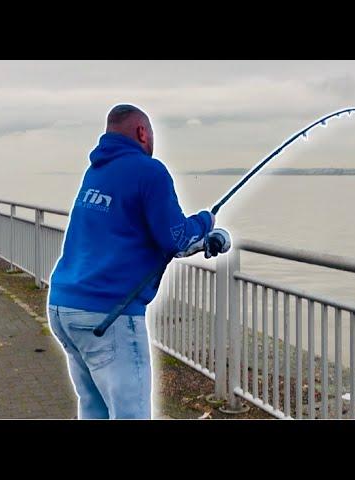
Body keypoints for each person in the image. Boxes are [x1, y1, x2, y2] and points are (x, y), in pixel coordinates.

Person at [47, 104, 226, 419]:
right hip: (108, 315)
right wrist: (206, 222)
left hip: (64, 307)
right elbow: (176, 238)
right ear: (142, 132)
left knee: (94, 409)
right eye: (151, 134)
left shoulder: (96, 170)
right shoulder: (149, 171)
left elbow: (128, 232)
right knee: (131, 413)